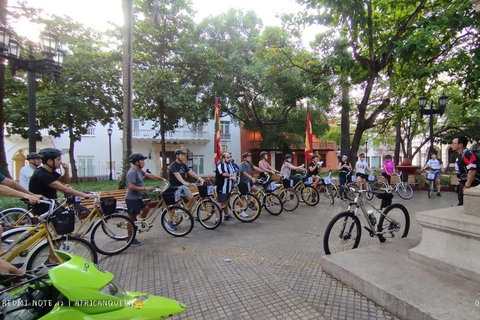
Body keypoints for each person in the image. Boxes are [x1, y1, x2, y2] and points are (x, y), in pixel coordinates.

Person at [29, 148, 93, 216]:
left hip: (51, 203)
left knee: (66, 218)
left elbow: (65, 181)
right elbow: (64, 189)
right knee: (63, 222)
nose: (61, 162)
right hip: (42, 206)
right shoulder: (42, 174)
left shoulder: (50, 171)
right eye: (58, 159)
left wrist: (66, 169)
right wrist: (84, 195)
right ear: (50, 161)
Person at [125, 153, 168, 246]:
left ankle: (139, 223)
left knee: (146, 209)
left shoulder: (139, 171)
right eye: (142, 161)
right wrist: (145, 188)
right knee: (131, 219)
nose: (144, 162)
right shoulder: (132, 172)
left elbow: (149, 175)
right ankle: (130, 239)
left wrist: (161, 179)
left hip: (138, 197)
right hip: (132, 199)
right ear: (137, 162)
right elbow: (131, 187)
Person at [168, 149, 204, 229]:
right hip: (174, 187)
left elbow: (190, 172)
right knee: (175, 204)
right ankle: (170, 222)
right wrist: (184, 182)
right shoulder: (173, 165)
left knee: (191, 198)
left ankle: (186, 212)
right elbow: (177, 174)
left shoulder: (183, 165)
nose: (183, 157)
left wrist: (199, 178)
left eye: (184, 155)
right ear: (177, 156)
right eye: (181, 155)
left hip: (182, 186)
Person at [451, 136, 480, 206]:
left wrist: (467, 186)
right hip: (462, 183)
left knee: (466, 206)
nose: (452, 145)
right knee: (461, 204)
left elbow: (472, 171)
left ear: (460, 145)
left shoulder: (468, 154)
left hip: (471, 184)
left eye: (454, 143)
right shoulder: (461, 155)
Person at [215, 152, 236, 221]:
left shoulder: (229, 164)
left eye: (230, 157)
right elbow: (224, 174)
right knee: (220, 202)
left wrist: (234, 177)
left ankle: (226, 215)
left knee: (226, 201)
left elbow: (234, 171)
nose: (229, 159)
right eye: (227, 158)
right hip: (222, 186)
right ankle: (217, 218)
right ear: (223, 158)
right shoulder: (221, 165)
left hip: (228, 187)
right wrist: (231, 177)